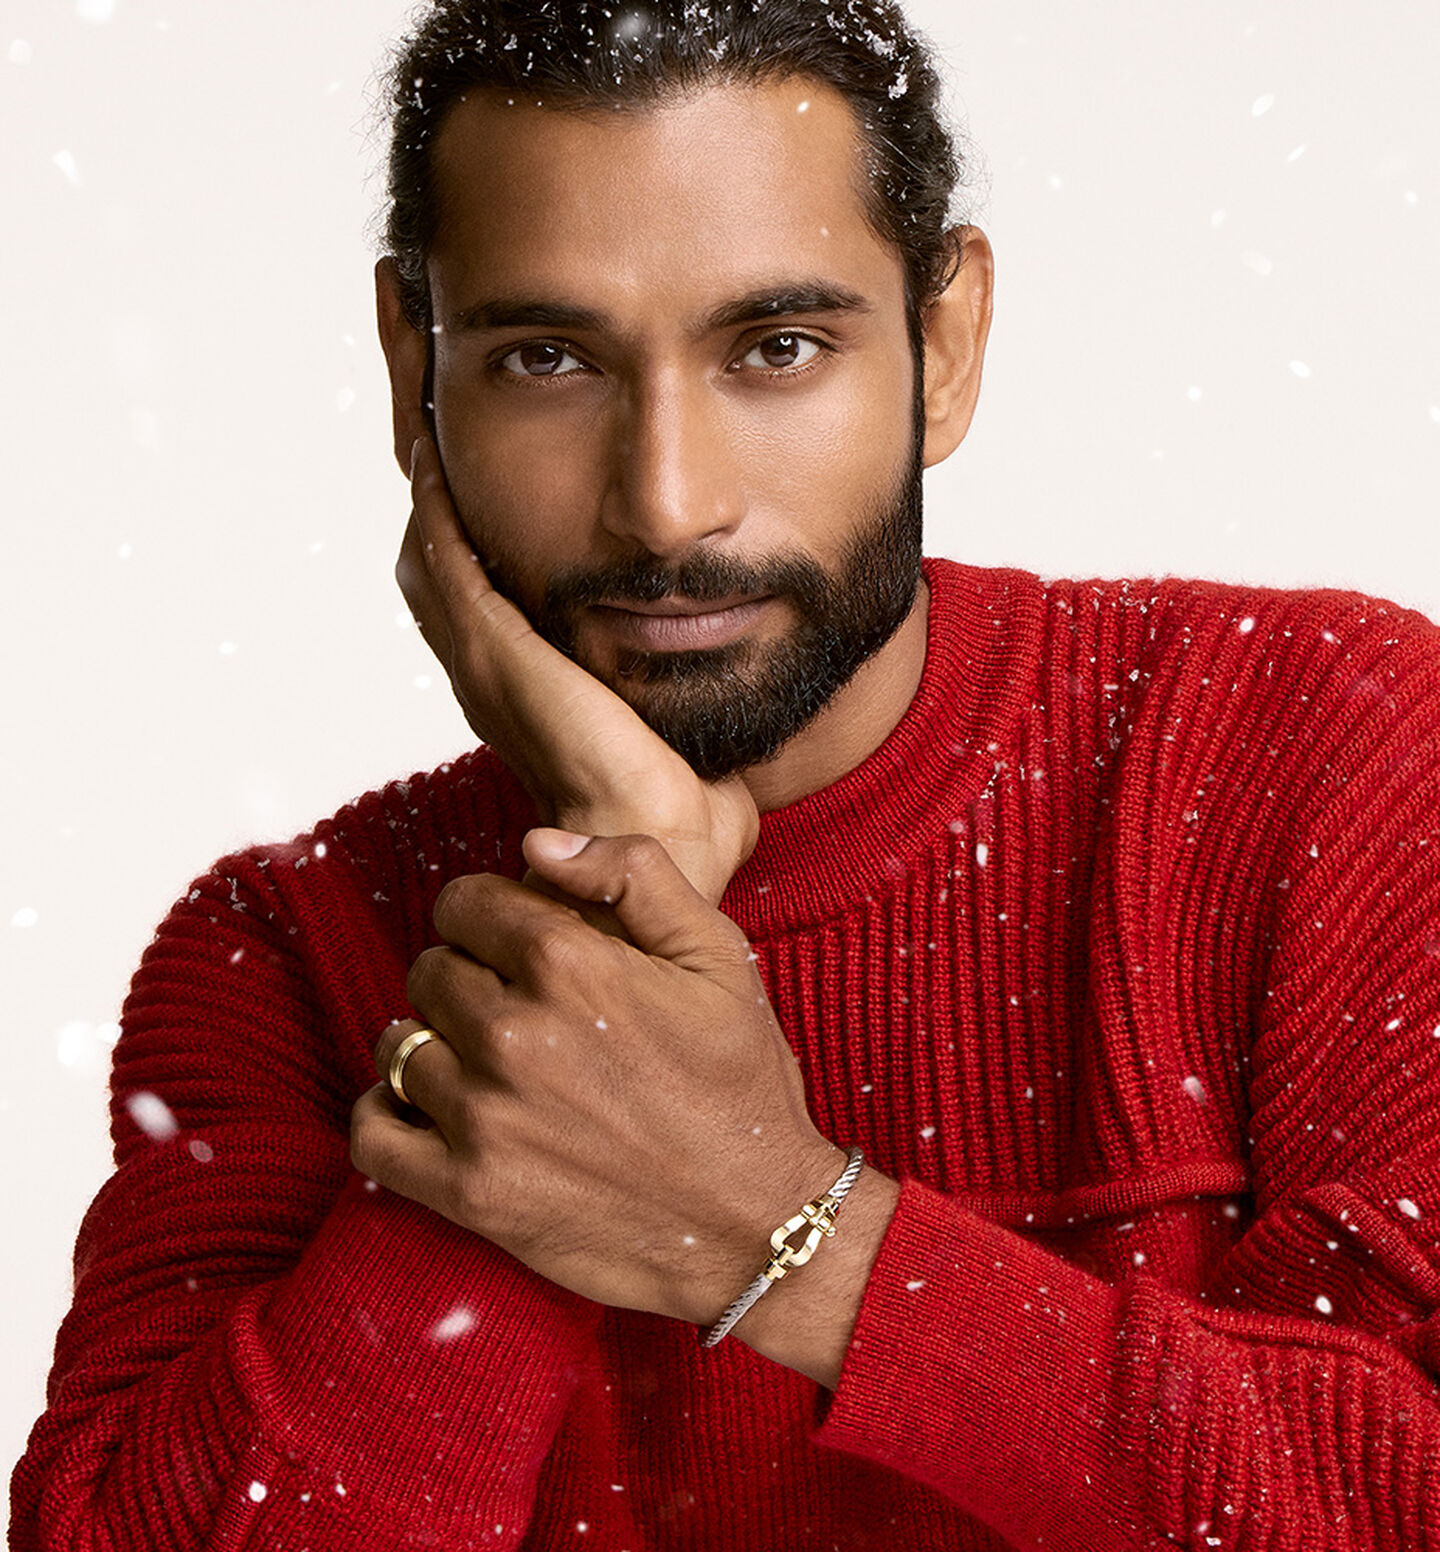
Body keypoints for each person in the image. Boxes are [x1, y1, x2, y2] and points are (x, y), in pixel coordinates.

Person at [13, 0, 1440, 1546]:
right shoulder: (285, 960)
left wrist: (779, 1234)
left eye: (776, 347)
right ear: (412, 366)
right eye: (548, 358)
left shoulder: (1321, 753)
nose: (668, 504)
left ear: (946, 342)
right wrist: (574, 964)